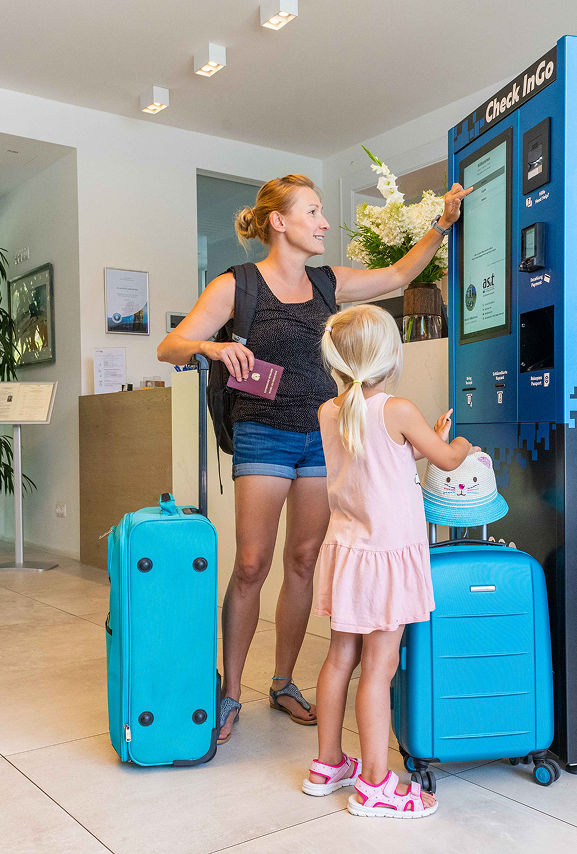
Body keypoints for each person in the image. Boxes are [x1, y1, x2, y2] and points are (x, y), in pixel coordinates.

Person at [157, 174, 471, 743]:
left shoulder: (329, 283)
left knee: (303, 561)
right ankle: (231, 693)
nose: (325, 222)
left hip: (324, 438)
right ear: (280, 222)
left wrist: (441, 225)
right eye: (314, 212)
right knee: (252, 563)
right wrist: (211, 345)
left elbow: (399, 275)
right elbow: (170, 345)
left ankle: (282, 682)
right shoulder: (239, 284)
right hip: (262, 435)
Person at [302, 304, 475, 818]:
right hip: (386, 558)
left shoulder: (329, 412)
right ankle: (377, 785)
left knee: (339, 660)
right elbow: (445, 460)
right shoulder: (396, 409)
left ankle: (328, 764)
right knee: (380, 669)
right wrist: (457, 441)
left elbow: (379, 456)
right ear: (390, 356)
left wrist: (427, 440)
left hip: (348, 553)